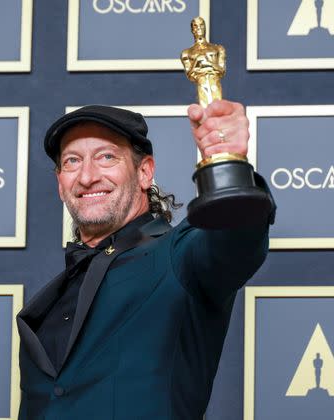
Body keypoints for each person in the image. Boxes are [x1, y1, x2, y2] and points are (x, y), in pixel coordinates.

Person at [16, 100, 274, 419]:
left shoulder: (180, 257)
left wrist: (228, 164)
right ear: (60, 183)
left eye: (106, 157)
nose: (86, 176)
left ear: (144, 172)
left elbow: (235, 237)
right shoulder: (52, 300)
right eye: (72, 161)